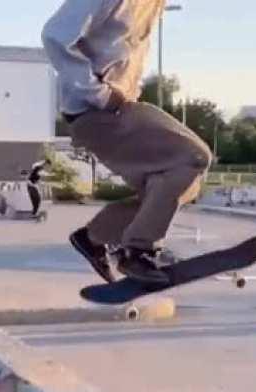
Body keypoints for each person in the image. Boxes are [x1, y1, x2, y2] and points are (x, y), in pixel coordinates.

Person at [42, 0, 212, 285]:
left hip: (119, 106)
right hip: (96, 110)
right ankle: (137, 252)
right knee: (193, 157)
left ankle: (96, 236)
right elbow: (55, 35)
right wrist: (98, 93)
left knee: (177, 185)